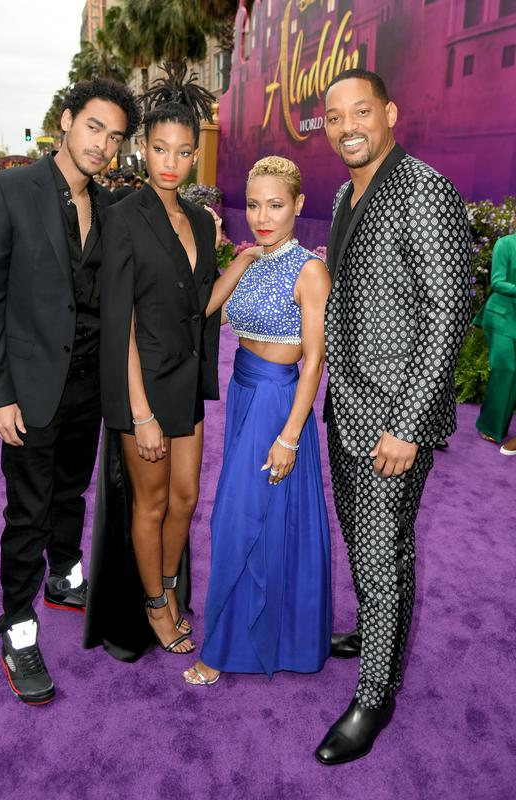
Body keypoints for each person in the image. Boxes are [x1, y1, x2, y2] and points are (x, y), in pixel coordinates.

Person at [0, 78, 141, 705]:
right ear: (66, 121)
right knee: (28, 511)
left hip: (89, 387)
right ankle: (16, 627)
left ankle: (64, 577)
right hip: (30, 388)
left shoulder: (111, 206)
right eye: (94, 127)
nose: (103, 145)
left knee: (71, 492)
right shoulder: (7, 191)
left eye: (114, 137)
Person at [314, 69, 471, 764]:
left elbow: (448, 312)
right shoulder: (346, 193)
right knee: (361, 541)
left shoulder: (423, 189)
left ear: (390, 114)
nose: (348, 126)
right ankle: (375, 632)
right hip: (346, 407)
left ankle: (375, 695)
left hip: (392, 421)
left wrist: (407, 425)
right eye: (335, 116)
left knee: (384, 555)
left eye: (361, 111)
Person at [84, 64, 259, 660]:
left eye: (184, 152)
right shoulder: (123, 216)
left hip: (185, 379)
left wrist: (239, 266)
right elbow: (122, 321)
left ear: (195, 157)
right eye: (160, 148)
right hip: (143, 383)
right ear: (144, 146)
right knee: (152, 502)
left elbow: (198, 308)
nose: (171, 161)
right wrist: (140, 413)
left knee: (185, 499)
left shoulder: (201, 221)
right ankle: (156, 604)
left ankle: (167, 584)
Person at [183, 156, 332, 687]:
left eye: (275, 205)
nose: (263, 217)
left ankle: (222, 648)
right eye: (252, 205)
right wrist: (238, 258)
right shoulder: (252, 260)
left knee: (237, 519)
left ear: (298, 205)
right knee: (263, 517)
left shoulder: (309, 270)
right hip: (243, 394)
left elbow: (314, 360)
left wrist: (290, 437)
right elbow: (204, 309)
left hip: (276, 401)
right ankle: (271, 636)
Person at [473, 233, 516, 446]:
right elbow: (498, 282)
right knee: (505, 367)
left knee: (514, 373)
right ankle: (488, 425)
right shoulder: (505, 244)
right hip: (500, 316)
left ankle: (498, 427)